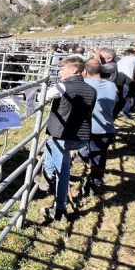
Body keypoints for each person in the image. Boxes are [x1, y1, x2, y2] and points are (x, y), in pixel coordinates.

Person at [35, 56, 96, 221]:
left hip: (62, 135)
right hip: (82, 137)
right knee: (50, 147)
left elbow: (42, 97)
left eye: (63, 68)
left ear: (74, 70)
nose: (60, 71)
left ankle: (59, 209)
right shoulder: (91, 90)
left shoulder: (63, 87)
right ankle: (46, 178)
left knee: (63, 172)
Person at [78, 59, 118, 196]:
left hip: (86, 126)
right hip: (106, 128)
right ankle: (94, 183)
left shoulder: (83, 84)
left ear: (85, 71)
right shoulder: (112, 85)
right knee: (100, 157)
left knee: (81, 148)